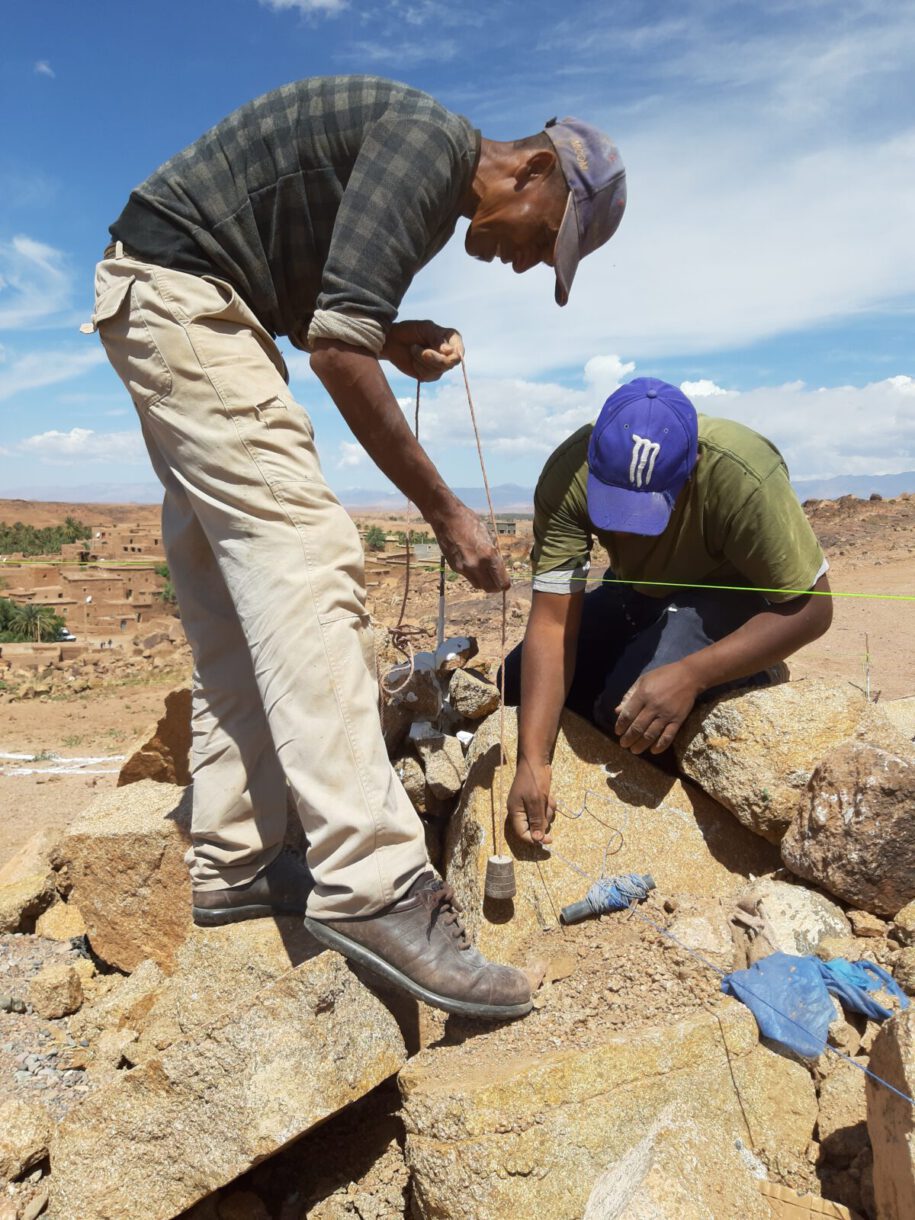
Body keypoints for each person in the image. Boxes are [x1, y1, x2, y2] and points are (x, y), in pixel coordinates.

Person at [86, 75, 626, 1021]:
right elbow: (334, 352)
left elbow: (321, 312)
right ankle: (374, 885)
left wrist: (390, 335)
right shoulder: (430, 149)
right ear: (532, 171)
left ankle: (233, 859)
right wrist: (449, 515)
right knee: (308, 559)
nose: (529, 262)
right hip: (187, 301)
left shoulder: (422, 164)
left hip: (173, 296)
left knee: (231, 602)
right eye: (547, 240)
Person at [503, 377, 832, 846]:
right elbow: (554, 623)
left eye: (650, 506)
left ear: (692, 465)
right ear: (593, 455)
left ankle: (755, 673)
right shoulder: (568, 475)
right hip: (636, 592)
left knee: (627, 717)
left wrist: (693, 675)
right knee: (515, 686)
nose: (633, 531)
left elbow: (813, 608)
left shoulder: (743, 474)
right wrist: (533, 761)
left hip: (729, 598)